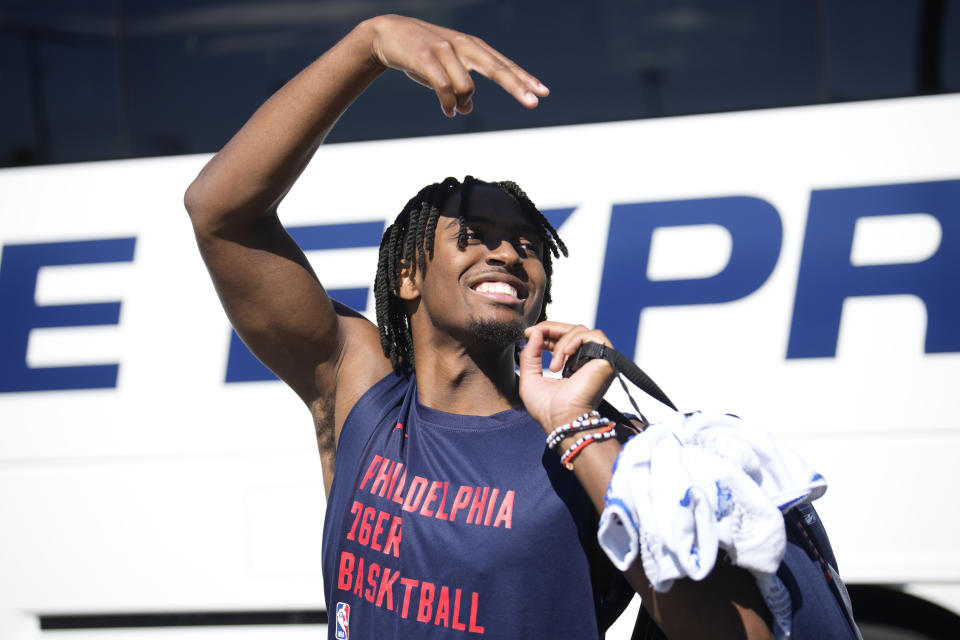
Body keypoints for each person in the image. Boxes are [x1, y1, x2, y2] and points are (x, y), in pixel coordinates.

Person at [184, 15, 785, 639]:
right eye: (472, 237)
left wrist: (576, 428)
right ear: (408, 277)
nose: (505, 254)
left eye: (528, 246)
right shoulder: (355, 389)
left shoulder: (593, 438)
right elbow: (220, 213)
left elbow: (735, 633)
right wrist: (371, 43)